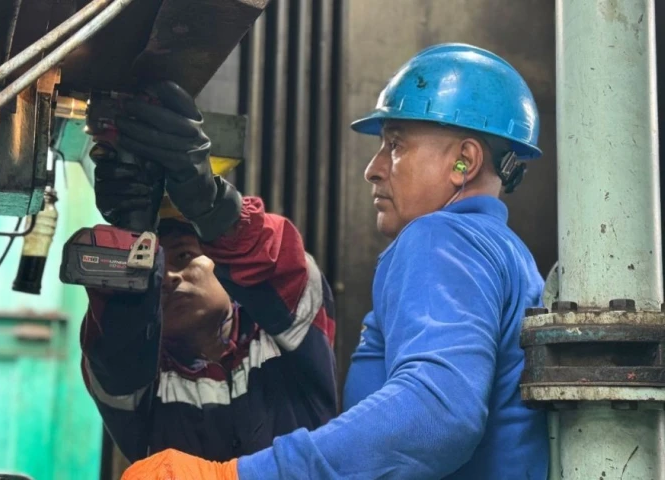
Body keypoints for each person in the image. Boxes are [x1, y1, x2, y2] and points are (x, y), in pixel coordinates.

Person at [119, 43, 550, 479]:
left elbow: (436, 413)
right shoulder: (508, 255)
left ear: (465, 161)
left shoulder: (439, 236)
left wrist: (238, 477)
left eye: (395, 145)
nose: (373, 168)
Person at [79, 80, 338, 464]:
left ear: (226, 270)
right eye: (156, 270)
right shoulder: (134, 380)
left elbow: (281, 266)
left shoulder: (285, 341)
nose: (167, 277)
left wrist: (212, 205)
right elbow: (114, 341)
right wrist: (131, 238)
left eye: (183, 255)